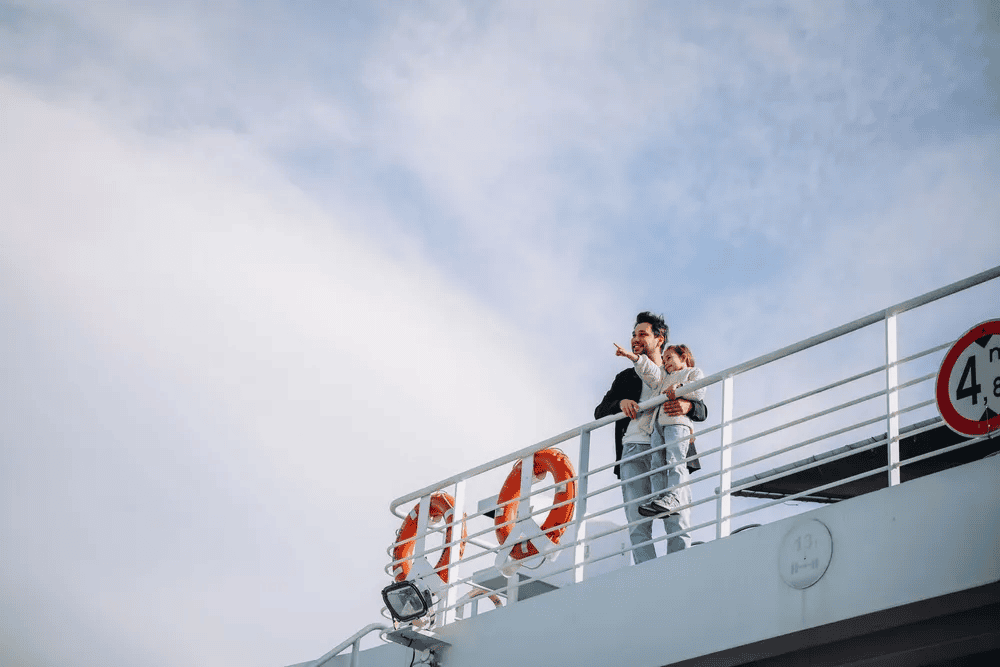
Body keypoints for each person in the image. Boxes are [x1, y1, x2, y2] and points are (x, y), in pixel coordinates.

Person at [594, 312, 707, 564]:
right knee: (637, 521)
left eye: (642, 334)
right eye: (634, 334)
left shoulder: (676, 369)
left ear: (659, 339)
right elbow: (599, 411)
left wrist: (688, 407)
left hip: (669, 446)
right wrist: (620, 402)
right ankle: (647, 573)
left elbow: (702, 406)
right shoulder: (626, 377)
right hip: (633, 449)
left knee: (676, 515)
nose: (636, 339)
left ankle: (679, 568)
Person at [615, 343, 706, 554]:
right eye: (664, 360)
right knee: (658, 465)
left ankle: (672, 498)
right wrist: (632, 357)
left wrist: (682, 393)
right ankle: (660, 498)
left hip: (675, 425)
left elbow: (699, 395)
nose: (666, 363)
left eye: (669, 358)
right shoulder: (661, 376)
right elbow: (650, 373)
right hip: (655, 430)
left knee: (674, 462)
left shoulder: (691, 372)